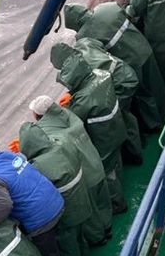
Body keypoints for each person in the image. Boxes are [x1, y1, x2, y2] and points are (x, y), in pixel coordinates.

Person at [64, 1, 165, 131]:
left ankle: (157, 125)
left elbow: (95, 55)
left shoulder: (85, 36)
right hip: (144, 48)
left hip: (132, 63)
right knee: (156, 84)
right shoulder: (107, 8)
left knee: (144, 95)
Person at [50, 44, 128, 214]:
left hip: (103, 137)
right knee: (116, 161)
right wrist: (73, 96)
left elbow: (71, 119)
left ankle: (117, 204)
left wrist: (67, 106)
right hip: (116, 127)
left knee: (107, 170)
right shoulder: (102, 75)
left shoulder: (84, 99)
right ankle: (121, 183)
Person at [29, 95, 112, 245]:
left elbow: (53, 152)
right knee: (103, 201)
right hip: (95, 162)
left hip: (85, 175)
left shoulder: (47, 133)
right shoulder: (68, 114)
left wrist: (30, 144)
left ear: (39, 115)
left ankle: (100, 239)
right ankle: (108, 227)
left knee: (91, 213)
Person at [17, 119, 92, 256]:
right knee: (80, 235)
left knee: (68, 244)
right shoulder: (61, 145)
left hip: (67, 208)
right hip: (82, 197)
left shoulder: (37, 165)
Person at [71, 37, 143, 164]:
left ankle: (134, 155)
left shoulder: (87, 71)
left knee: (124, 119)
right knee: (127, 117)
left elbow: (80, 111)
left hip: (123, 84)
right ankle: (138, 147)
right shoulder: (85, 43)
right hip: (126, 74)